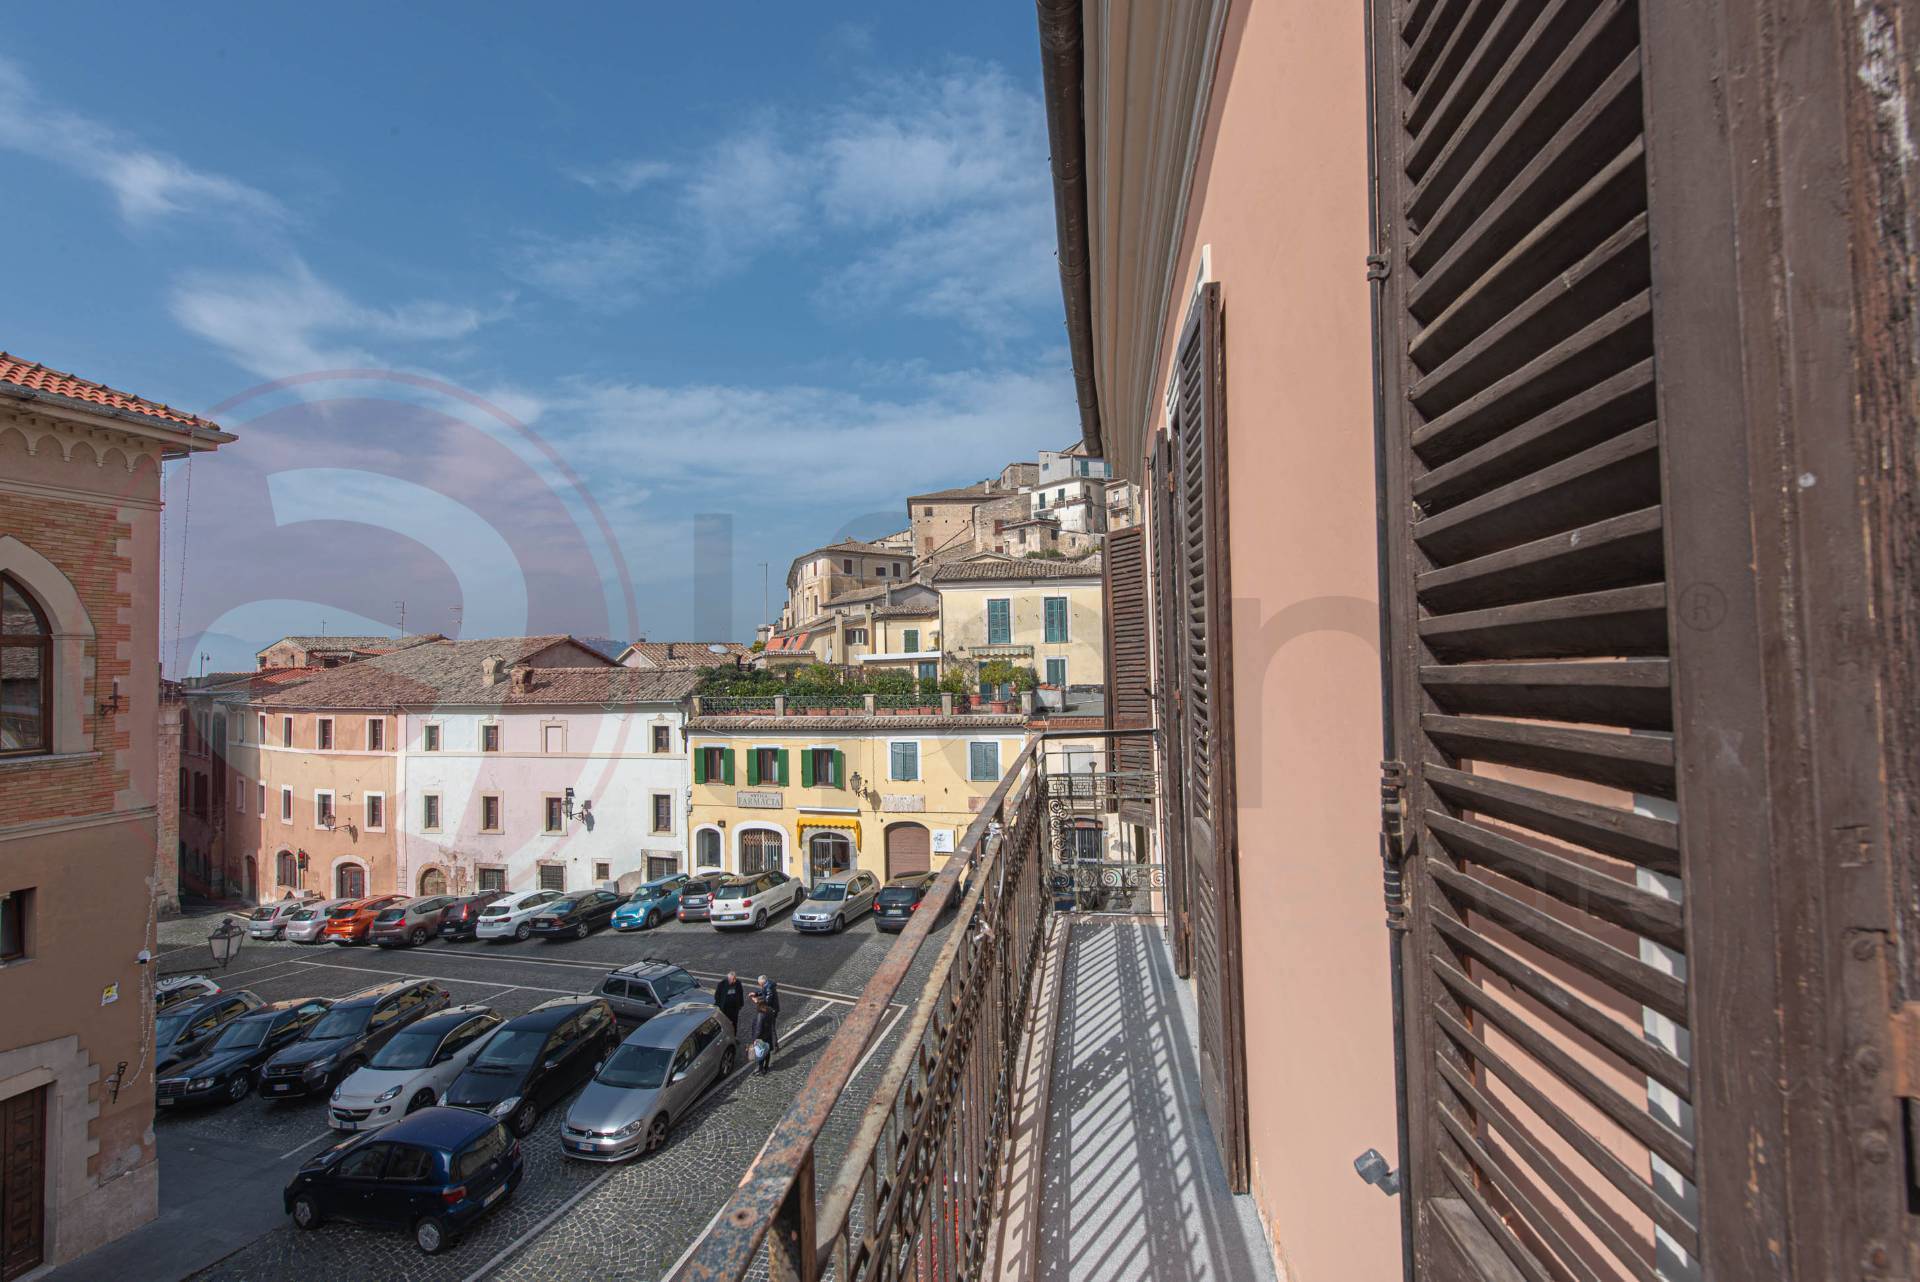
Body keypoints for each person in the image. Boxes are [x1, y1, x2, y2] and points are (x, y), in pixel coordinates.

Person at [751, 974, 781, 1075]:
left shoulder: (761, 1015)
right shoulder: (767, 986)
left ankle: (761, 1068)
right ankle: (766, 1067)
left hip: (763, 1036)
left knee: (761, 1051)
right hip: (767, 1034)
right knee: (767, 1048)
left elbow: (767, 1000)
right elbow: (763, 992)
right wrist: (756, 993)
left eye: (760, 984)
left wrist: (755, 1040)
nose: (760, 986)